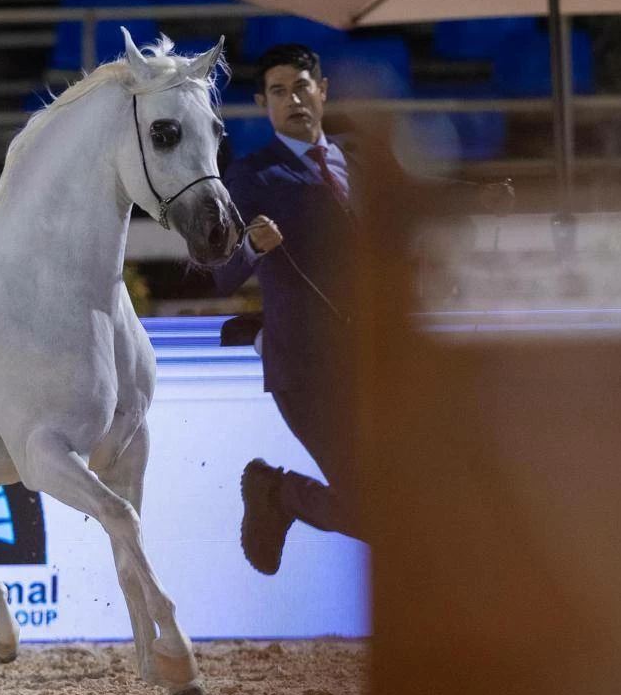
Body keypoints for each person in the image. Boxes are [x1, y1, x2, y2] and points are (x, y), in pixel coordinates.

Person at [217, 43, 511, 574]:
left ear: (322, 91)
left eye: (302, 86)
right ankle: (277, 493)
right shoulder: (250, 176)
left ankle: (278, 494)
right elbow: (220, 273)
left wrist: (475, 200)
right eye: (279, 91)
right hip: (306, 370)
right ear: (264, 103)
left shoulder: (358, 159)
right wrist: (252, 248)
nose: (293, 100)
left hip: (376, 363)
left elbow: (412, 209)